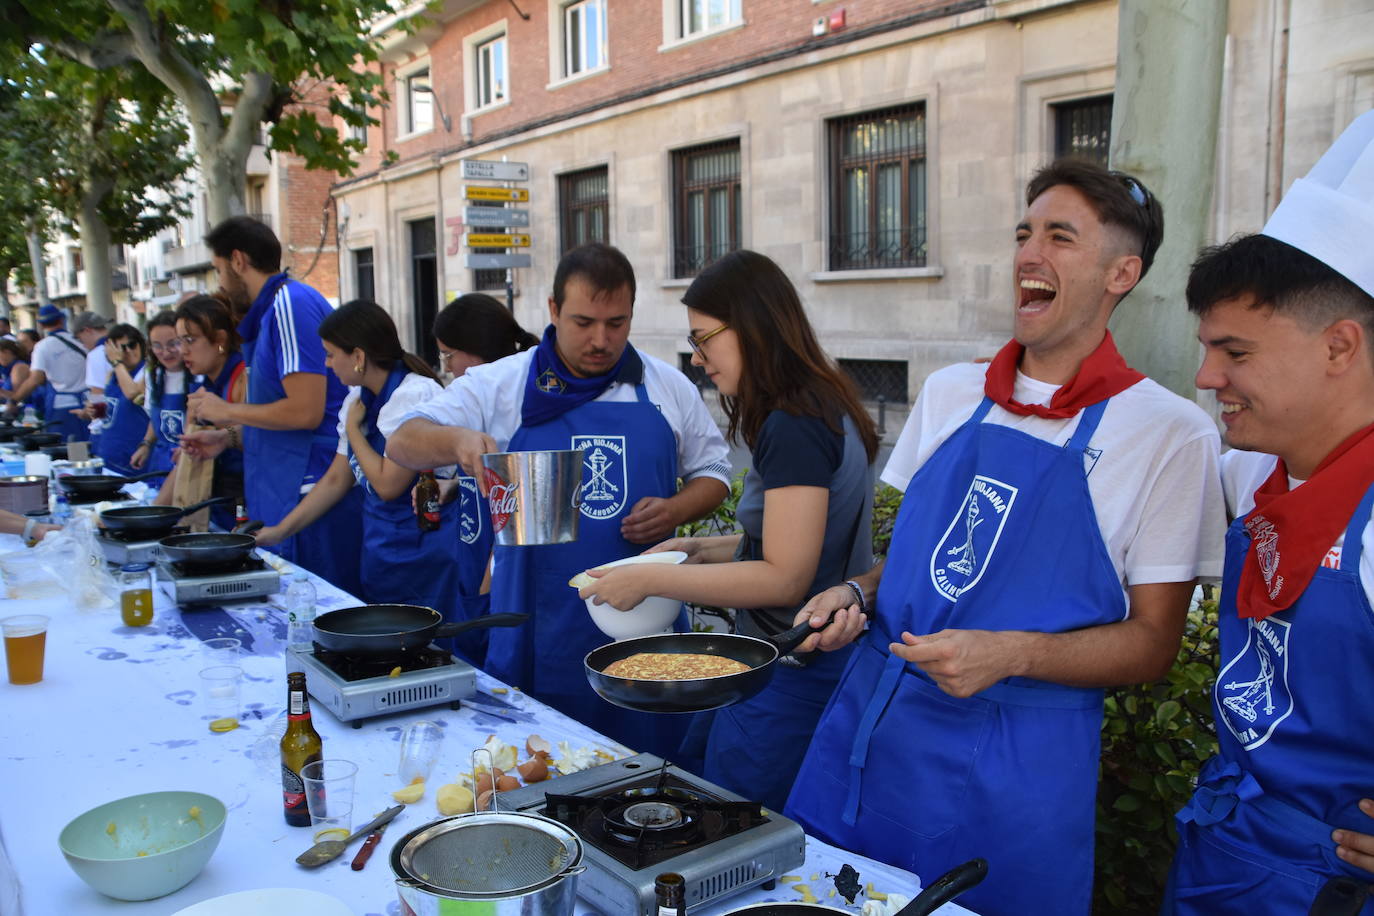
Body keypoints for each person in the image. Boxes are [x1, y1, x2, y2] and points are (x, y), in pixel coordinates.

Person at [783, 160, 1227, 915]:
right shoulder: (953, 392)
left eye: (1061, 236)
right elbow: (924, 561)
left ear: (1122, 272)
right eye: (1025, 233)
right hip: (873, 729)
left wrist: (1013, 653)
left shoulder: (1171, 434)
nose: (1030, 253)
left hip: (1019, 770)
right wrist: (856, 591)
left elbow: (1153, 643)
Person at [389, 243, 732, 757]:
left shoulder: (665, 385)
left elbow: (715, 470)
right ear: (552, 311)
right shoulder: (502, 382)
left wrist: (677, 509)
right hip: (535, 621)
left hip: (646, 622)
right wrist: (457, 441)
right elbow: (401, 439)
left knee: (651, 771)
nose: (601, 339)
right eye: (583, 322)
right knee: (541, 768)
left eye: (617, 323)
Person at [577, 250, 880, 811]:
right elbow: (800, 543)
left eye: (703, 339)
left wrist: (651, 579)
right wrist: (698, 549)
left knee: (737, 835)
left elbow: (786, 578)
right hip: (813, 667)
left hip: (792, 670)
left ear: (751, 327)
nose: (697, 360)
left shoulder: (793, 424)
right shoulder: (823, 401)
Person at [1164, 111, 1374, 916]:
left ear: (1340, 347)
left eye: (1235, 352)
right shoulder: (1259, 468)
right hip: (1228, 840)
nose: (1206, 376)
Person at [182, 217, 360, 594]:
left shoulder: (288, 305)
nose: (219, 284)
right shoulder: (272, 310)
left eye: (218, 270)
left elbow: (306, 411)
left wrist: (226, 410)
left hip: (308, 493)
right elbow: (280, 415)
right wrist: (228, 437)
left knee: (317, 613)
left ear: (237, 260)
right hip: (288, 490)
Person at [255, 301, 457, 612]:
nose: (327, 364)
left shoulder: (413, 395)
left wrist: (353, 430)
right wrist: (281, 531)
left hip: (420, 553)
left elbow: (387, 485)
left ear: (358, 356)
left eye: (331, 354)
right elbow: (336, 479)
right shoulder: (357, 399)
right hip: (381, 549)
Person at [424, 293, 539, 665]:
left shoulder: (510, 402)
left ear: (473, 352)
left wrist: (488, 583)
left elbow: (524, 498)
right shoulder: (476, 402)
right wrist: (455, 484)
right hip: (474, 568)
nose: (446, 368)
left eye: (447, 356)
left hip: (497, 576)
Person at [159, 294, 247, 532]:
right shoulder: (205, 385)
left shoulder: (243, 379)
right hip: (214, 506)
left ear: (220, 340)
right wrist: (154, 515)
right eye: (180, 341)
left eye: (190, 340)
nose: (182, 351)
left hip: (244, 507)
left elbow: (259, 440)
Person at [0, 304, 95, 441]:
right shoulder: (79, 341)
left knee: (65, 448)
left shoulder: (43, 347)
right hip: (88, 404)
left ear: (41, 325)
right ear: (61, 320)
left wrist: (14, 399)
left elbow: (36, 379)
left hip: (61, 407)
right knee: (87, 447)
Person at [130, 312, 188, 474]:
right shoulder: (153, 375)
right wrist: (146, 444)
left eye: (173, 344)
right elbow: (156, 418)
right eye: (157, 345)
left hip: (188, 461)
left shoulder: (198, 375)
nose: (166, 352)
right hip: (161, 461)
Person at [86, 323, 148, 476]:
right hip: (110, 454)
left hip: (134, 456)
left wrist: (117, 363)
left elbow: (133, 393)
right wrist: (93, 410)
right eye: (121, 349)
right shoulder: (111, 375)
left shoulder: (147, 371)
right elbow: (101, 412)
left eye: (132, 345)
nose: (128, 352)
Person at [0, 339, 31, 419]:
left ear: (7, 352)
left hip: (24, 415)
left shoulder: (19, 367)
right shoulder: (8, 369)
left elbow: (19, 397)